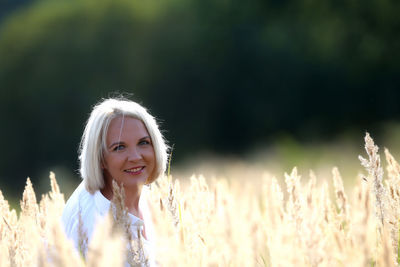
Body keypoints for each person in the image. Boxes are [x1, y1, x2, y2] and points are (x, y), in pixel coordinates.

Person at [62, 97, 168, 264]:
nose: (135, 157)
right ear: (100, 158)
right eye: (119, 147)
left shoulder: (150, 202)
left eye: (143, 143)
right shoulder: (89, 220)